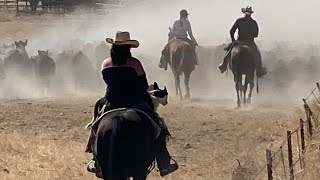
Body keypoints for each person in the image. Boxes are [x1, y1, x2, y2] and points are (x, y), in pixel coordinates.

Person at [86, 31, 178, 177]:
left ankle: (94, 160)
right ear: (128, 48)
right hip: (133, 101)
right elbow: (142, 85)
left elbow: (108, 82)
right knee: (157, 125)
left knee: (96, 127)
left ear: (113, 48)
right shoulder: (135, 63)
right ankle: (164, 162)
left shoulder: (105, 63)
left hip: (112, 101)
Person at [218, 6, 267, 78]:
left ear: (244, 13)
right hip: (250, 43)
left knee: (228, 52)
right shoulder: (253, 22)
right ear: (251, 13)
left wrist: (233, 41)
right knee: (257, 54)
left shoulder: (239, 20)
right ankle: (259, 70)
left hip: (239, 41)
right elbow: (256, 34)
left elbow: (232, 31)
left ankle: (223, 65)